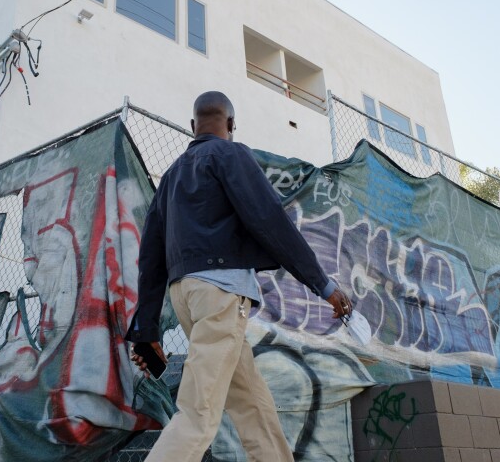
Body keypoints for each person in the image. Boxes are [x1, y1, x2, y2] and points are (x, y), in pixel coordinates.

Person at [126, 91, 351, 462]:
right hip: (221, 294)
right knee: (198, 414)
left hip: (186, 294)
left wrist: (146, 329)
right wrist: (323, 285)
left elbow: (150, 257)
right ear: (231, 125)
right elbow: (270, 221)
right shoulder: (231, 154)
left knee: (251, 403)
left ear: (192, 126)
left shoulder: (170, 177)